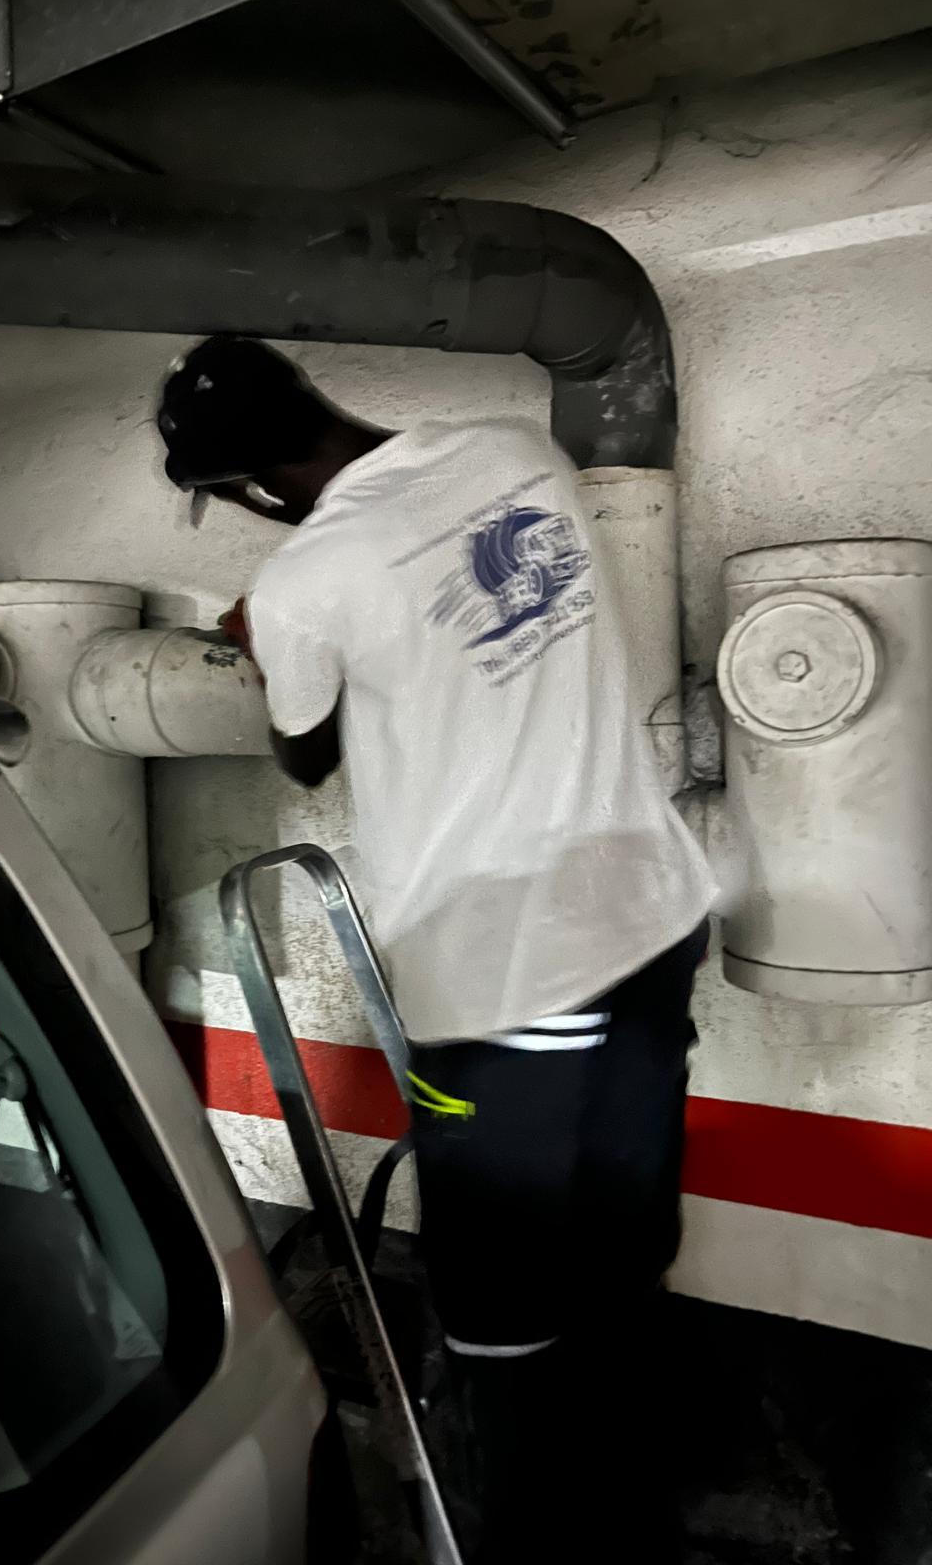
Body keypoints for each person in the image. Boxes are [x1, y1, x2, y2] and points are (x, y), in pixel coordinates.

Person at [157, 335, 718, 1561]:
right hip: (654, 911)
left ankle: (517, 1536)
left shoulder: (308, 578)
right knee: (624, 1249)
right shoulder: (517, 451)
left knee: (499, 1297)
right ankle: (636, 1513)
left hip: (511, 968)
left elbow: (306, 752)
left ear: (250, 489)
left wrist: (264, 644)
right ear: (313, 397)